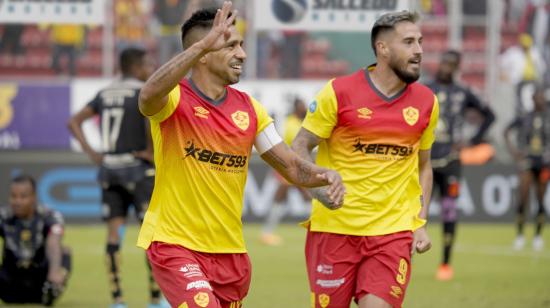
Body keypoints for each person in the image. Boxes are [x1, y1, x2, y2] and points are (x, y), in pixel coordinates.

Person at [136, 3, 345, 307]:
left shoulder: (251, 109)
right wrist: (202, 45)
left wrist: (325, 175)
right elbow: (146, 97)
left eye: (242, 45)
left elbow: (291, 167)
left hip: (231, 254)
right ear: (203, 53)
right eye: (231, 45)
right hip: (175, 244)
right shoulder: (175, 98)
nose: (242, 54)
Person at [292, 11, 438, 308]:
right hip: (334, 231)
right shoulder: (338, 92)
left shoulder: (427, 102)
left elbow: (424, 165)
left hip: (392, 233)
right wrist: (318, 189)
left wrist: (419, 221)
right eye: (409, 42)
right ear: (383, 49)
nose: (419, 50)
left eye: (420, 42)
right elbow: (299, 148)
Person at [68, 48, 166, 308]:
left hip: (110, 170)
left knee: (113, 236)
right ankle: (155, 300)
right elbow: (149, 121)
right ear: (135, 67)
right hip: (138, 169)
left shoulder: (105, 92)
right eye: (147, 64)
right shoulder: (142, 91)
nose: (150, 69)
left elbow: (74, 122)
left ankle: (117, 300)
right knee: (152, 237)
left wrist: (93, 153)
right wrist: (150, 152)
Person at [427, 50, 495, 281]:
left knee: (449, 211)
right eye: (445, 62)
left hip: (452, 161)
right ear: (440, 63)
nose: (447, 67)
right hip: (424, 160)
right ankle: (404, 258)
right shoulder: (425, 89)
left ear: (457, 67)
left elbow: (490, 116)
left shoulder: (463, 92)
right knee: (416, 211)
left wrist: (473, 141)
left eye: (452, 64)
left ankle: (445, 264)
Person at [0, 175, 71, 306]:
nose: (17, 202)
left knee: (65, 252)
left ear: (34, 197)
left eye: (23, 196)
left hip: (41, 282)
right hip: (9, 283)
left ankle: (50, 293)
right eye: (13, 196)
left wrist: (55, 271)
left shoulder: (49, 215)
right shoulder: (4, 216)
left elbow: (54, 241)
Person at [260, 97, 311, 246]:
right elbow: (294, 148)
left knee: (300, 197)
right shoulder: (292, 125)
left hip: (292, 168)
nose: (305, 108)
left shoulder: (296, 123)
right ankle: (267, 233)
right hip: (290, 167)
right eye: (303, 106)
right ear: (297, 108)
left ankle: (267, 232)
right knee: (294, 196)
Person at [505, 85, 549, 252]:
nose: (541, 100)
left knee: (540, 199)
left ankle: (538, 236)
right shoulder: (525, 117)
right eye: (538, 97)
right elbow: (506, 131)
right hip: (527, 160)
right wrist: (514, 151)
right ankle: (520, 235)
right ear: (532, 99)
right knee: (523, 198)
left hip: (544, 162)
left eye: (542, 97)